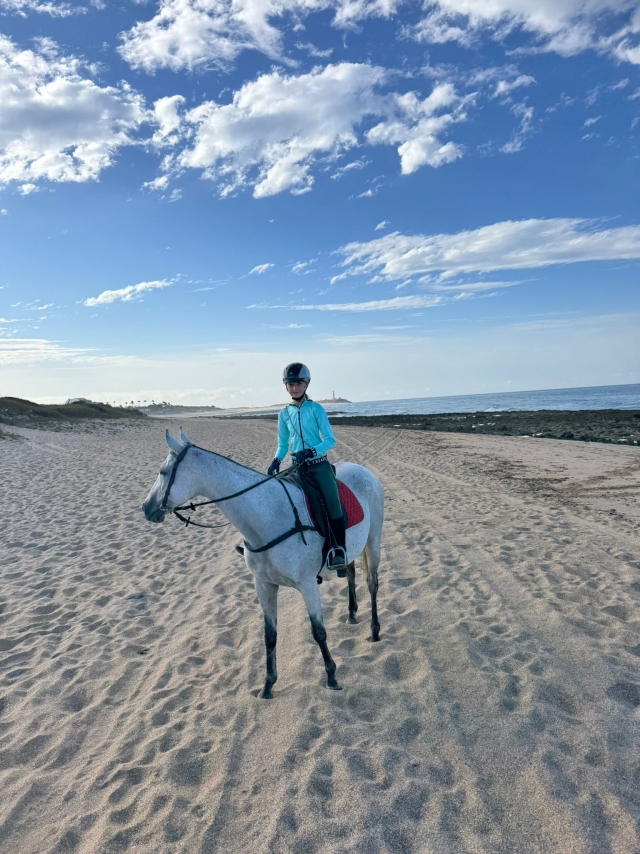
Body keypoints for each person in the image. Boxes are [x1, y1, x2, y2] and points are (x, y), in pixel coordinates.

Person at [267, 362, 346, 569]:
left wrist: (311, 451)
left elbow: (330, 440)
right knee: (270, 493)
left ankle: (340, 550)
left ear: (306, 384)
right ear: (286, 386)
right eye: (290, 384)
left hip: (318, 465)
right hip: (297, 467)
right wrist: (276, 459)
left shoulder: (316, 409)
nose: (294, 388)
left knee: (332, 502)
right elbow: (283, 444)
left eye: (298, 383)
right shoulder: (284, 414)